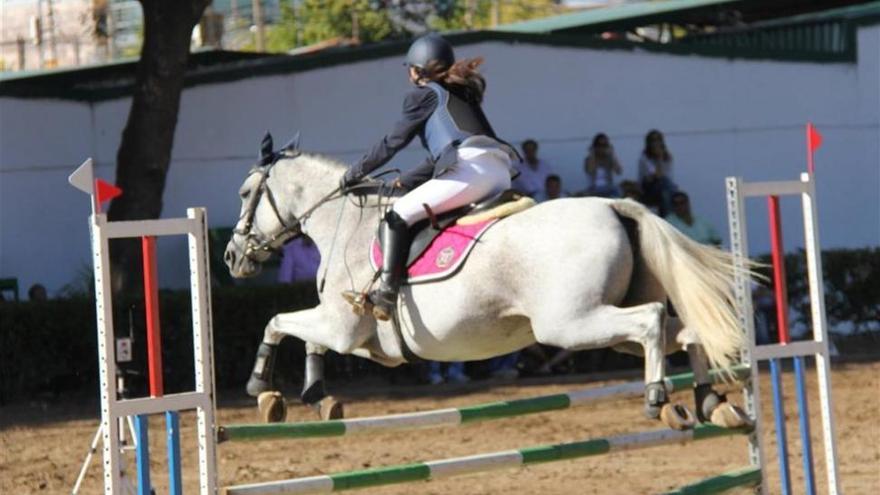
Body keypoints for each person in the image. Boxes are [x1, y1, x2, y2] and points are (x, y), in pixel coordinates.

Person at [341, 33, 516, 321]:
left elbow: (392, 142)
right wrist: (407, 180)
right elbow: (446, 151)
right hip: (499, 171)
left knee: (396, 217)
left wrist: (353, 173)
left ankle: (385, 294)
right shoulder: (461, 93)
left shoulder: (422, 95)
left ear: (417, 69)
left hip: (471, 170)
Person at [638, 129, 677, 216]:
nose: (655, 143)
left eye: (658, 140)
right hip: (648, 186)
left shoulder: (667, 157)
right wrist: (659, 158)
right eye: (653, 140)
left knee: (665, 192)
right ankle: (669, 216)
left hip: (664, 186)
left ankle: (669, 218)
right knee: (665, 183)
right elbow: (656, 176)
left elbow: (668, 175)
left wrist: (662, 157)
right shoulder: (645, 158)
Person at [584, 133, 622, 197]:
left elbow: (619, 171)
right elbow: (590, 171)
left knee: (618, 191)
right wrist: (592, 154)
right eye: (599, 145)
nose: (602, 148)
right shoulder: (589, 159)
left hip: (608, 188)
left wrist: (612, 154)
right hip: (594, 188)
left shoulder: (609, 158)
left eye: (604, 145)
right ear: (595, 146)